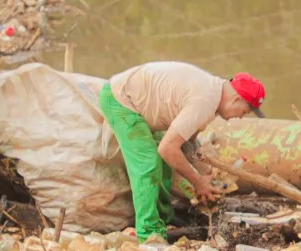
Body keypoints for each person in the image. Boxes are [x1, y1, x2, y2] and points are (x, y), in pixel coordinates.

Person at [99, 61, 265, 241]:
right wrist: (198, 182)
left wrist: (203, 172)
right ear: (236, 99)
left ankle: (164, 219)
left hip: (138, 101)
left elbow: (186, 142)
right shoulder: (204, 101)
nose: (240, 116)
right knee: (148, 164)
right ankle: (148, 235)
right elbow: (167, 148)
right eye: (244, 111)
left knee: (165, 165)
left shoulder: (212, 97)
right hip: (121, 100)